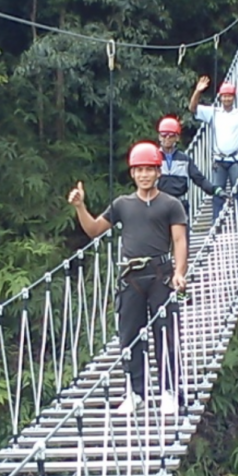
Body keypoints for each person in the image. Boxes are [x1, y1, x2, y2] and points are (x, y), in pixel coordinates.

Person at [68, 141, 188, 415]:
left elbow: (180, 240)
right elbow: (95, 230)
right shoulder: (122, 204)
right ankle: (135, 392)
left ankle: (169, 391)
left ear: (158, 172)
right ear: (132, 173)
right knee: (129, 337)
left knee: (166, 334)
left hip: (161, 275)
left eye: (149, 169)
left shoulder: (171, 204)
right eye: (139, 170)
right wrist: (80, 207)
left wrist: (180, 272)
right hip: (130, 277)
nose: (144, 174)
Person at [188, 76, 238, 223]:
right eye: (224, 96)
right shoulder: (213, 112)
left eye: (229, 96)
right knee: (217, 192)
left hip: (236, 160)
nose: (227, 99)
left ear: (234, 98)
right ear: (220, 97)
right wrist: (197, 91)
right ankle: (217, 224)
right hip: (219, 161)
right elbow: (193, 108)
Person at [155, 115, 224, 249]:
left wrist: (215, 190)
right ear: (159, 137)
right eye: (163, 135)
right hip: (159, 203)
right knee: (159, 242)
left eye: (171, 135)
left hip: (179, 203)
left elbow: (199, 179)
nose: (167, 139)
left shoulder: (185, 159)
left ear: (177, 138)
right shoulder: (153, 158)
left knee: (182, 242)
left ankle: (182, 268)